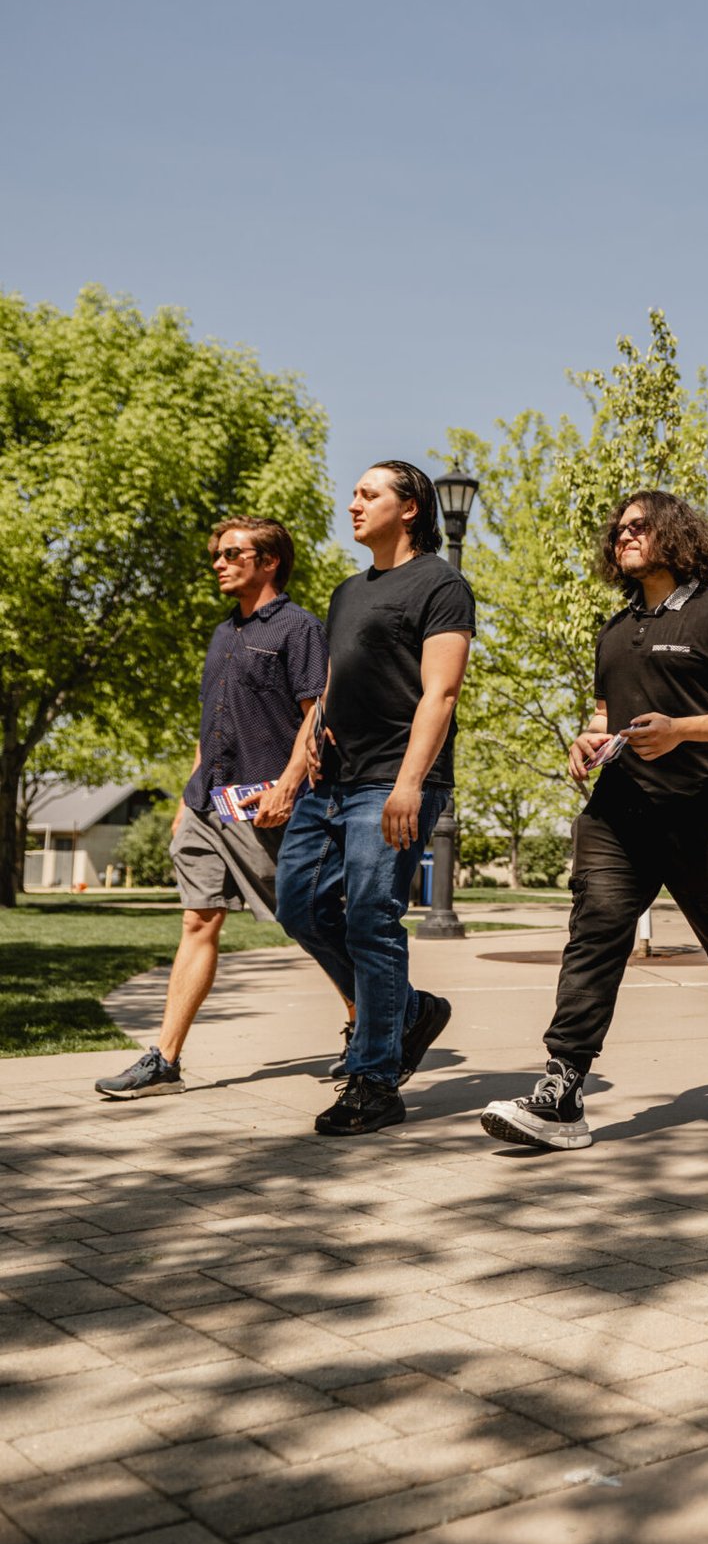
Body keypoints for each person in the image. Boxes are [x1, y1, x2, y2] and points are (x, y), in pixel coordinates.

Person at [480, 488, 708, 1153]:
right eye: (618, 529)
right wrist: (587, 739)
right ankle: (562, 1092)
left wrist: (683, 730)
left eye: (638, 527)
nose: (623, 537)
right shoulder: (614, 631)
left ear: (677, 538)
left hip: (701, 811)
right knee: (594, 933)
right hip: (618, 813)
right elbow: (607, 715)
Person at [94, 519, 337, 1098]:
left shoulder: (298, 628)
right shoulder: (223, 633)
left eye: (232, 554)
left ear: (269, 560)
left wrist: (287, 785)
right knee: (197, 919)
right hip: (208, 804)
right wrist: (188, 791)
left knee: (313, 922)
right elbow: (215, 721)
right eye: (217, 554)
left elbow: (317, 711)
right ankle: (165, 1060)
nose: (219, 564)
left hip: (266, 808)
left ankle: (376, 1021)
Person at [274, 463, 475, 1138]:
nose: (353, 503)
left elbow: (440, 693)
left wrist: (410, 784)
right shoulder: (346, 591)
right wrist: (298, 759)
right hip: (329, 780)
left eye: (369, 494)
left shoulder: (441, 585)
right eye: (355, 493)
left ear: (410, 508)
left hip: (390, 781)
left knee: (370, 918)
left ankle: (374, 1080)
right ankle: (408, 1011)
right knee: (297, 905)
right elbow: (333, 682)